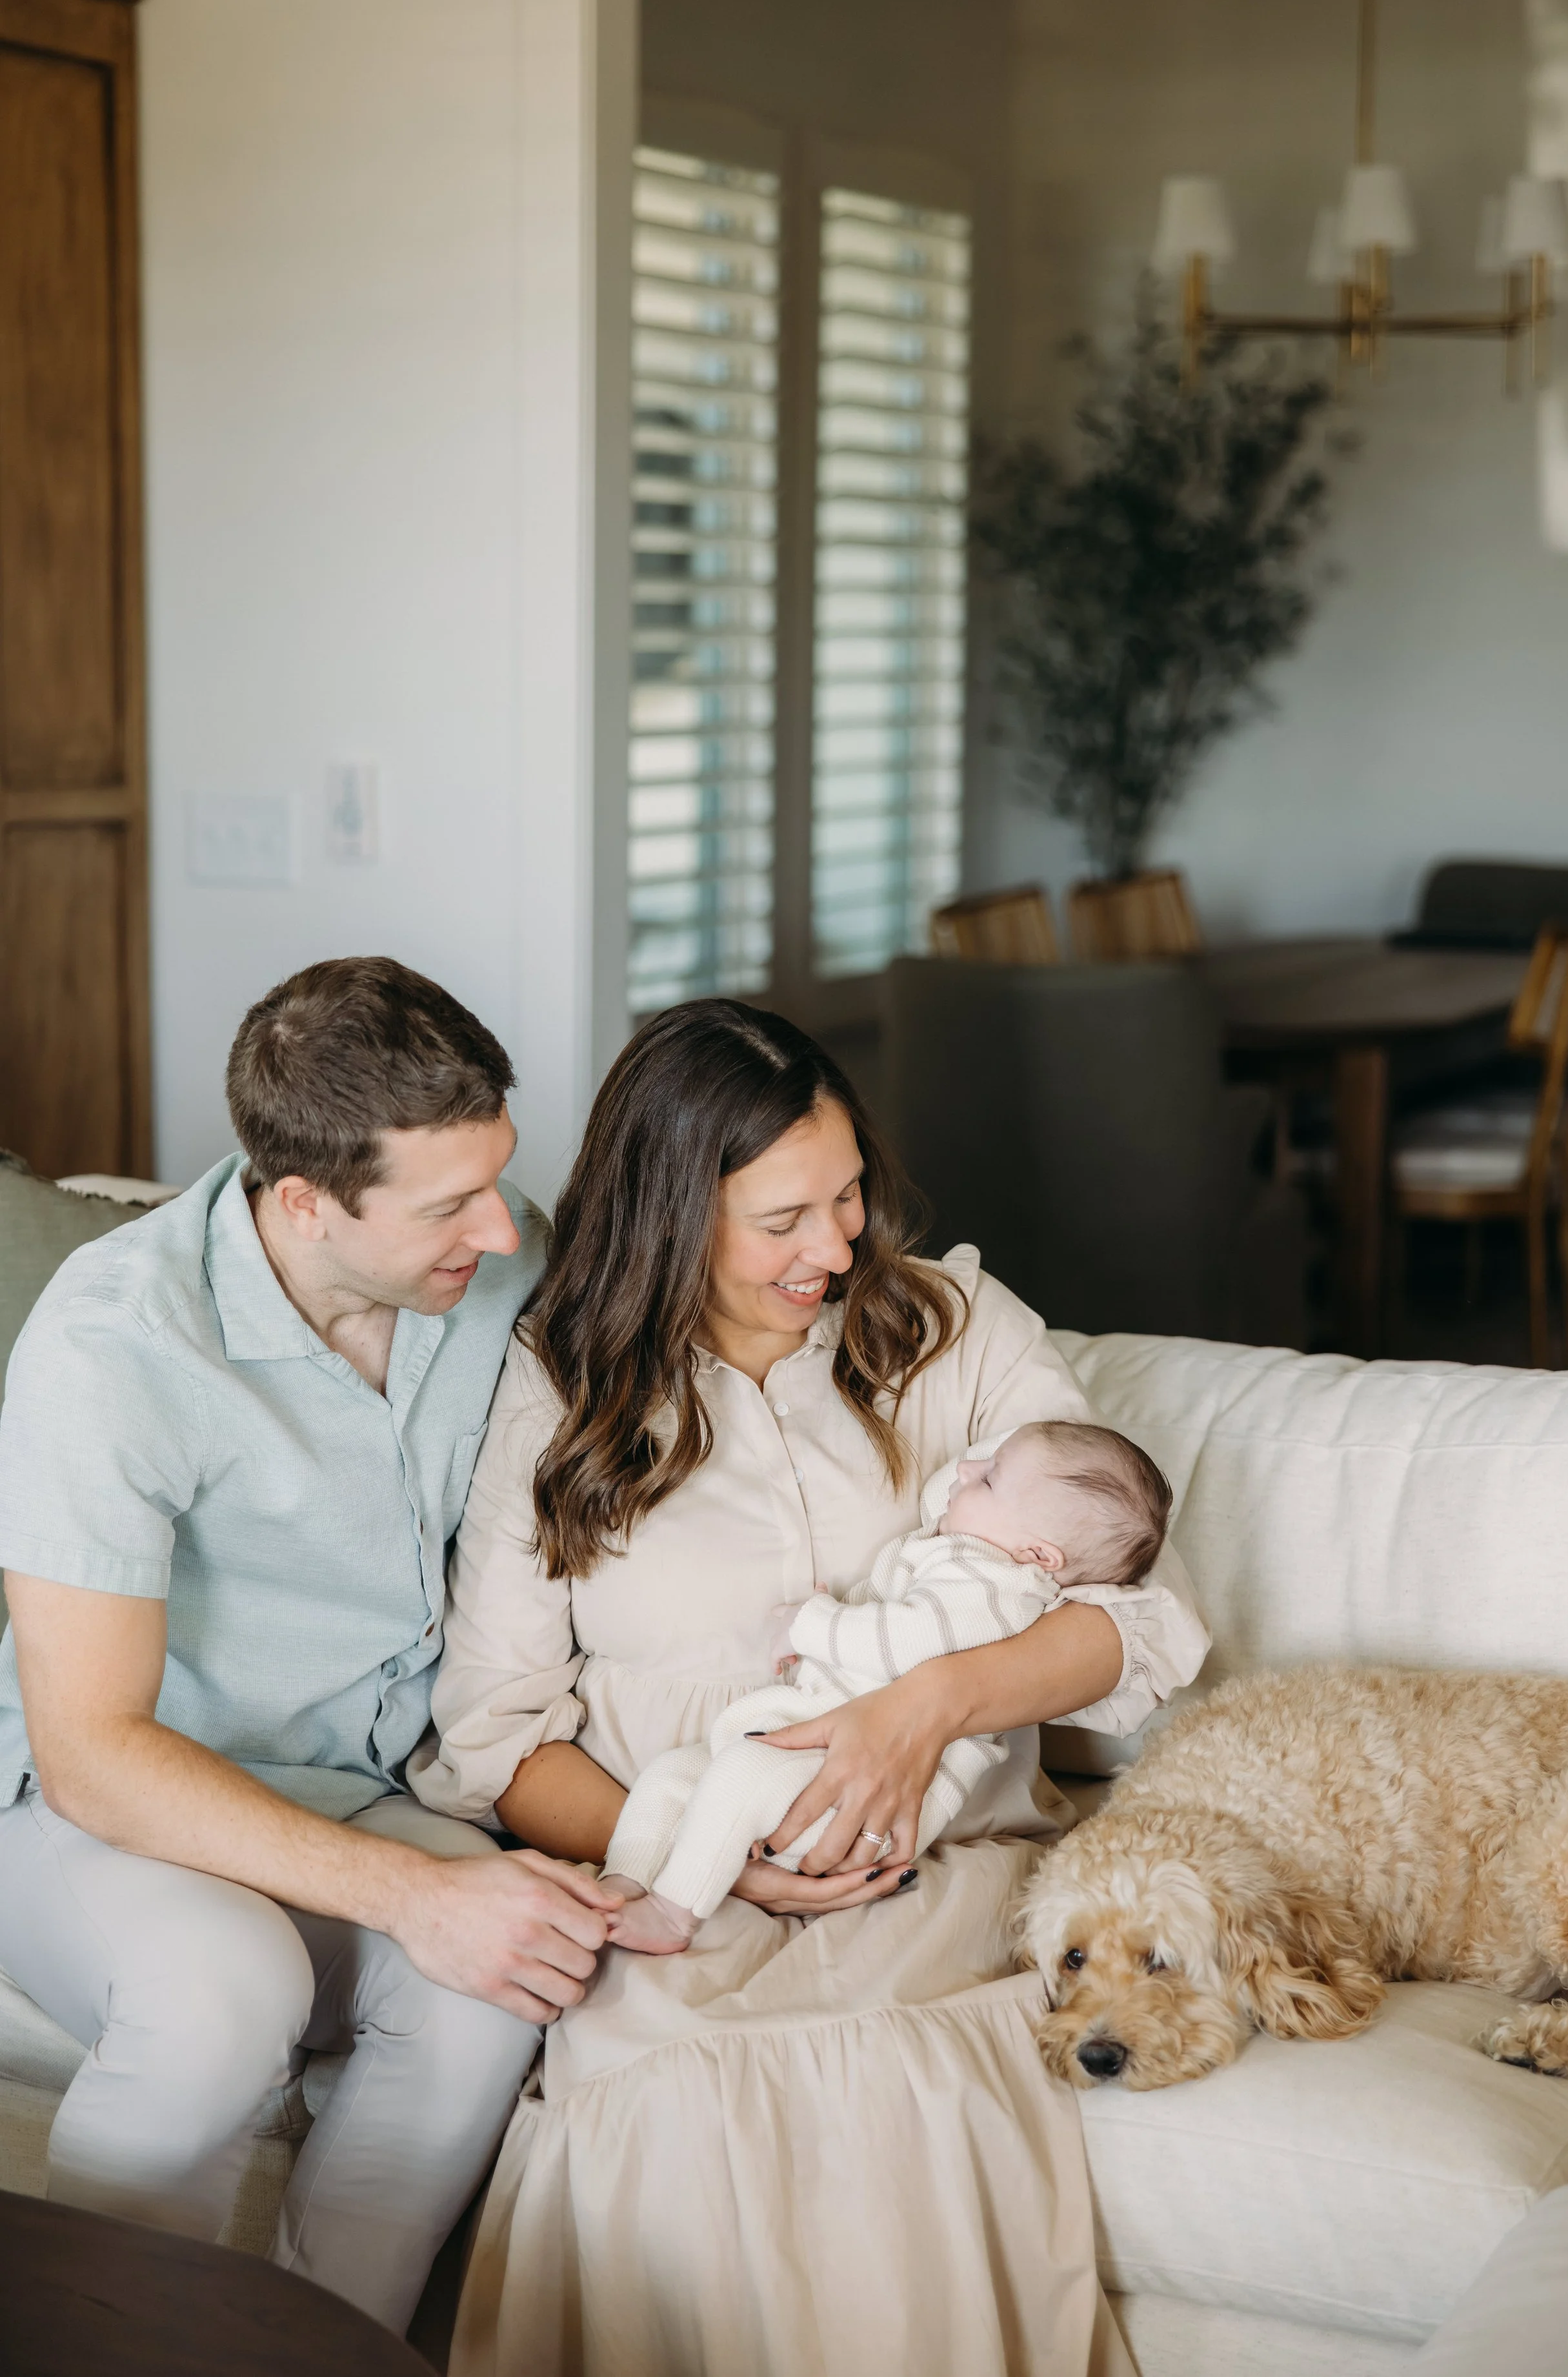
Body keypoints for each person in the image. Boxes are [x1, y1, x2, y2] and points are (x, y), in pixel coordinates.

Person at [411, 996, 1210, 2377]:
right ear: (669, 1212)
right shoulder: (561, 1390)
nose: (834, 1245)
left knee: (887, 2096)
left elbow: (1143, 1618)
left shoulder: (949, 1330)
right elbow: (494, 1731)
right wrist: (687, 1851)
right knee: (656, 2113)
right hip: (674, 1870)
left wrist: (927, 1707)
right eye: (782, 1218)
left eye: (846, 1196)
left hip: (936, 1865)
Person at [0, 957, 614, 2336]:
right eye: (449, 1203)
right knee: (225, 1988)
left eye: (495, 1181)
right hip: (104, 1814)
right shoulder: (114, 1345)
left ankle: (326, 2351)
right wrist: (412, 1892)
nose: (503, 1233)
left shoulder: (492, 1267)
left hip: (368, 1789)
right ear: (302, 1202)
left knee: (499, 1981)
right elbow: (93, 1754)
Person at [599, 1420, 1176, 1952]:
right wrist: (985, 1485)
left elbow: (907, 1643)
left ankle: (675, 1915)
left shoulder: (995, 1589)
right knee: (673, 1774)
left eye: (990, 1478)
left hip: (857, 1796)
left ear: (1038, 1553)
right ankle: (624, 1879)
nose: (965, 1471)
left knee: (735, 1777)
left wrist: (809, 1623)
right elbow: (955, 1495)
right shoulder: (973, 1548)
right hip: (818, 1751)